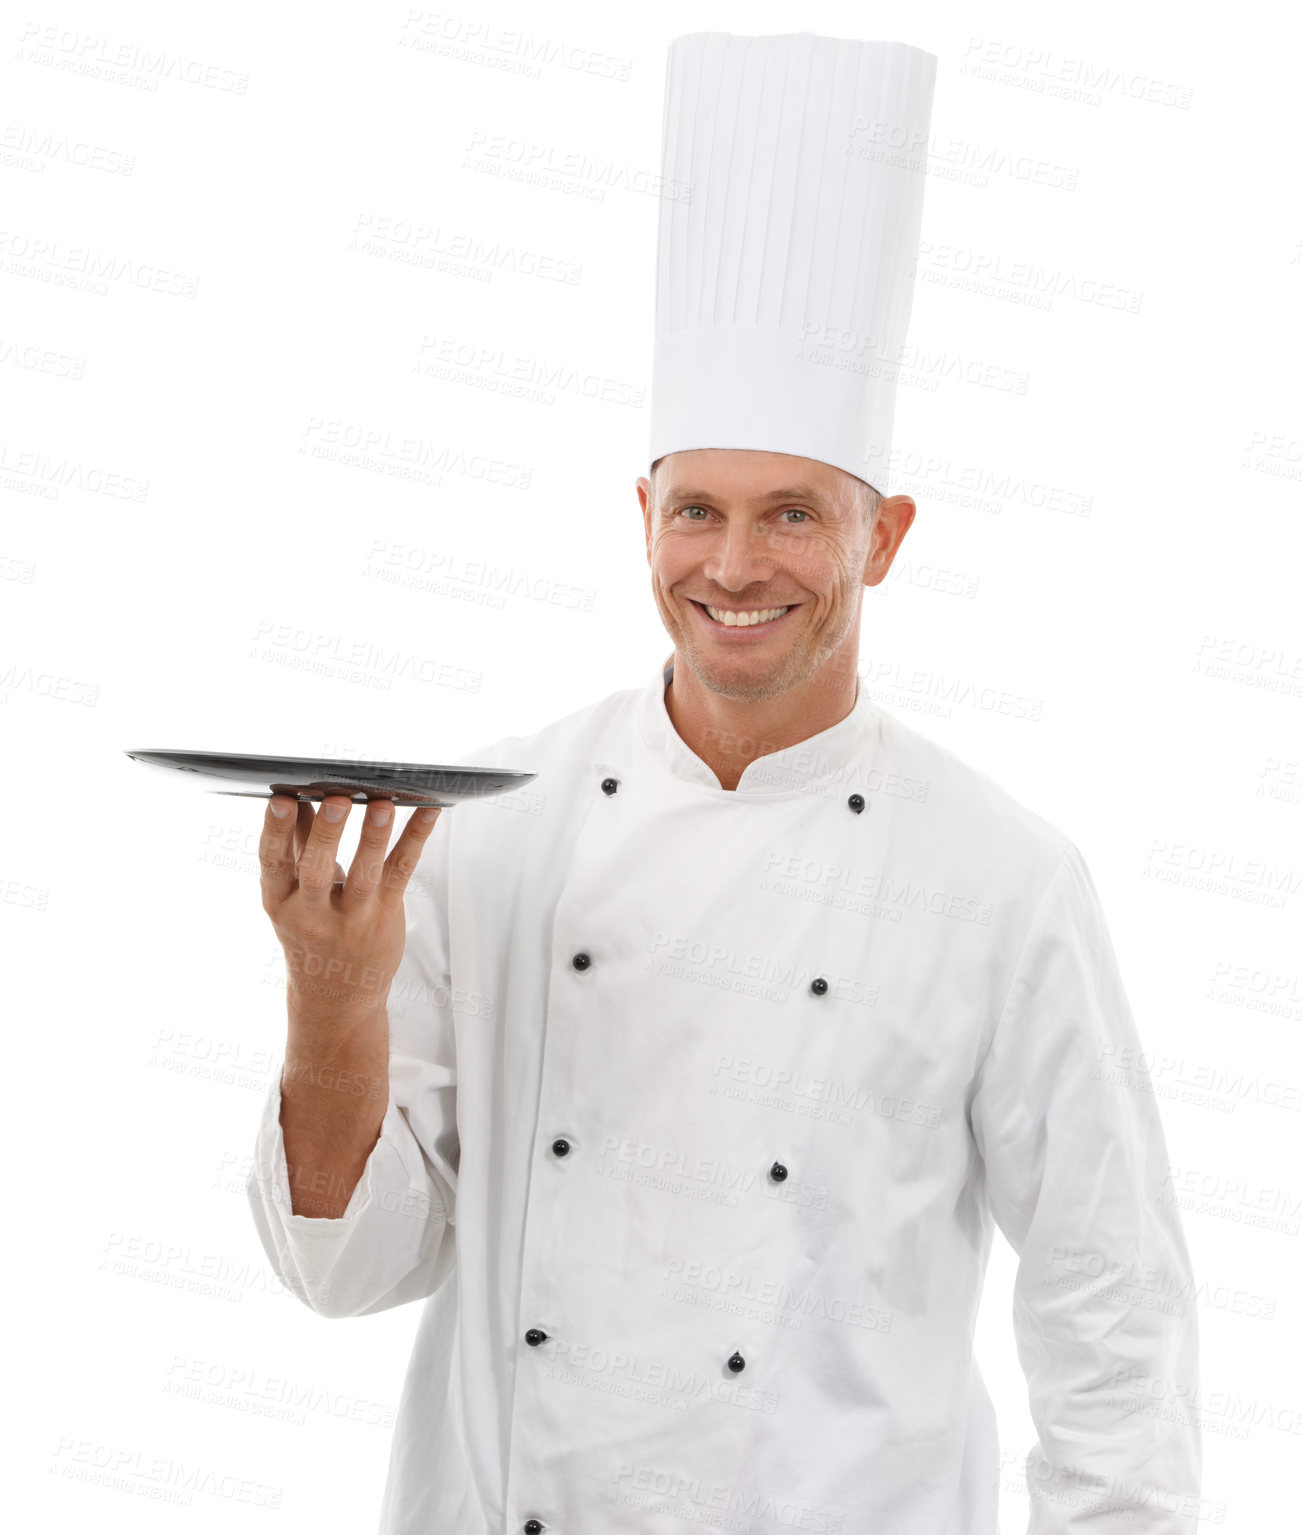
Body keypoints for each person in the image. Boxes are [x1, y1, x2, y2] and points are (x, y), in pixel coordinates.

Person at [249, 30, 1203, 1535]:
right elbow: (347, 1271)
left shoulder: (1002, 880)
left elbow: (1111, 1303)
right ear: (642, 513)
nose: (735, 566)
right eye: (695, 508)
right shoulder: (492, 825)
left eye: (794, 516)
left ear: (885, 535)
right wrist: (331, 999)